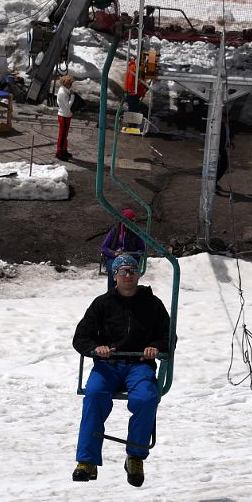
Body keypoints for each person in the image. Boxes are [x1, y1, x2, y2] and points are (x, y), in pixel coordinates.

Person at [71, 254, 172, 487]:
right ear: (114, 275)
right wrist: (97, 349)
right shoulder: (102, 304)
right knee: (94, 395)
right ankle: (87, 461)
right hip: (109, 366)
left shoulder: (152, 304)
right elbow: (81, 337)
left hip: (139, 366)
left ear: (138, 274)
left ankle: (135, 456)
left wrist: (155, 348)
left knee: (146, 399)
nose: (128, 275)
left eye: (132, 271)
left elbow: (168, 336)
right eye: (123, 271)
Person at [100, 208, 145, 290]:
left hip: (130, 258)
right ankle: (111, 291)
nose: (131, 223)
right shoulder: (115, 231)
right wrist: (114, 253)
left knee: (128, 272)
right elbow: (104, 247)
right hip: (114, 257)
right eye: (129, 221)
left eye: (133, 221)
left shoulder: (136, 233)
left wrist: (131, 254)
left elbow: (141, 250)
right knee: (113, 269)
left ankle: (128, 291)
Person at [55, 75, 74, 161]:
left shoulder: (64, 90)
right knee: (62, 136)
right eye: (70, 84)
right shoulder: (63, 93)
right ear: (66, 84)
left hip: (66, 115)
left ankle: (64, 150)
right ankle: (59, 153)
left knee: (64, 135)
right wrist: (72, 97)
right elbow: (68, 105)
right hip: (64, 116)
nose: (71, 85)